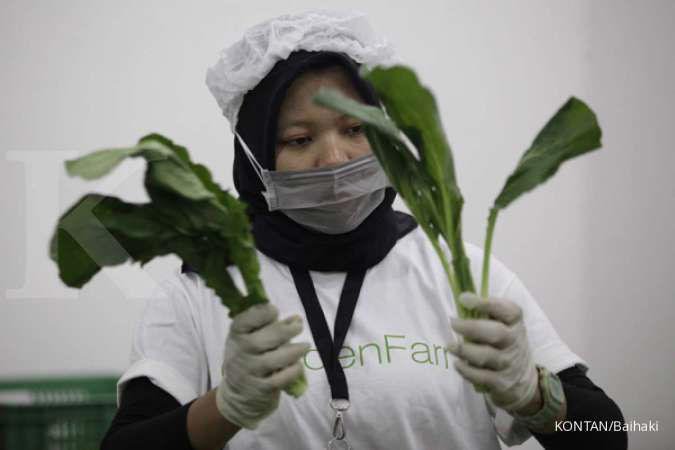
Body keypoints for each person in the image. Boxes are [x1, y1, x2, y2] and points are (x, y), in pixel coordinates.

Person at [100, 9, 627, 450]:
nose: (334, 159)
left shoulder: (465, 276)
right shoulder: (202, 291)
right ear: (256, 160)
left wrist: (536, 397)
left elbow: (609, 435)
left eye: (355, 128)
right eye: (299, 139)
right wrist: (224, 407)